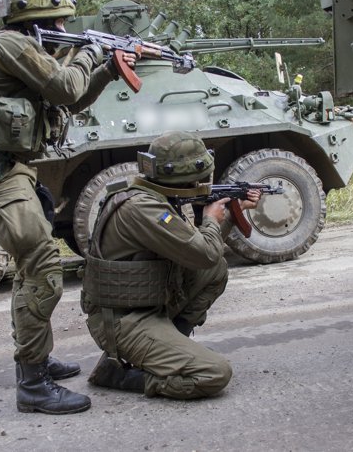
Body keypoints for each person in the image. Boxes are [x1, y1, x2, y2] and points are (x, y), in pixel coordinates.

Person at [0, 0, 136, 415]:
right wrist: (91, 50)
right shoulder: (10, 46)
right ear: (37, 19)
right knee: (43, 266)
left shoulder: (25, 49)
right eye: (59, 22)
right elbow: (68, 85)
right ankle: (32, 383)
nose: (65, 31)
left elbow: (71, 101)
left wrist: (109, 67)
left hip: (7, 168)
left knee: (32, 265)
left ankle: (38, 358)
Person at [81, 131, 261, 399]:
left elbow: (199, 255)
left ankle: (170, 345)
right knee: (214, 373)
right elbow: (203, 252)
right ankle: (120, 375)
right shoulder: (144, 209)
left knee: (215, 270)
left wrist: (231, 216)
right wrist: (211, 219)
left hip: (149, 305)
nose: (202, 183)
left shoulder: (153, 197)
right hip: (123, 322)